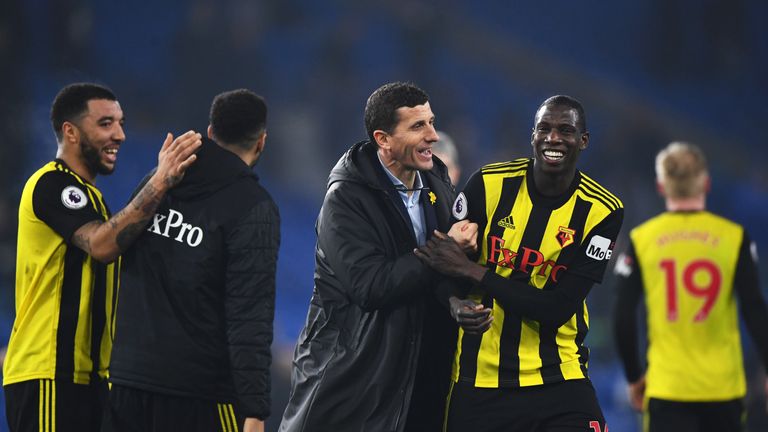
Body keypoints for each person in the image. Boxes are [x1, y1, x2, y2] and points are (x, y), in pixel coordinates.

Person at [415, 95, 623, 432]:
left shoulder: (602, 211)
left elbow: (558, 307)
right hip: (479, 379)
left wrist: (472, 271)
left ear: (583, 141)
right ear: (533, 136)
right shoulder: (488, 184)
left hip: (558, 377)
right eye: (544, 128)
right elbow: (443, 264)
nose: (553, 138)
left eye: (565, 130)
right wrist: (453, 303)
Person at [2, 82, 201, 432]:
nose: (120, 135)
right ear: (71, 132)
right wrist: (159, 182)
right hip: (50, 374)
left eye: (121, 123)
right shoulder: (51, 184)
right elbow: (102, 245)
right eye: (106, 123)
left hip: (90, 377)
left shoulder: (92, 198)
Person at [279, 82, 477, 432]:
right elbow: (371, 286)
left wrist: (452, 300)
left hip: (415, 382)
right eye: (418, 126)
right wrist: (447, 246)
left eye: (431, 122)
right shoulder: (346, 200)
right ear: (383, 139)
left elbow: (435, 273)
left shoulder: (436, 180)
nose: (433, 136)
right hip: (351, 384)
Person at [103, 89, 280, 432]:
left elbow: (115, 254)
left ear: (211, 133)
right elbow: (250, 316)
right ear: (261, 142)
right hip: (200, 396)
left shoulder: (159, 182)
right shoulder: (252, 206)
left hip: (126, 384)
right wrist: (255, 411)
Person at [612, 142, 768, 432]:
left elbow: (623, 316)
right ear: (706, 184)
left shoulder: (641, 240)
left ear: (661, 187)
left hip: (667, 388)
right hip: (722, 389)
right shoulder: (734, 239)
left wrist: (635, 378)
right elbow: (755, 310)